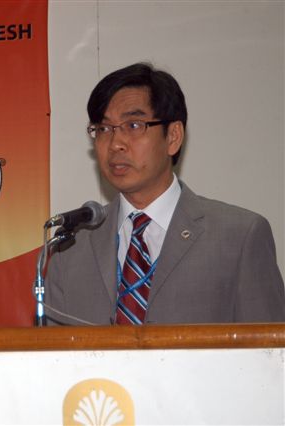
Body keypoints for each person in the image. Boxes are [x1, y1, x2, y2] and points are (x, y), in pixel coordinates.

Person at [44, 62, 285, 325]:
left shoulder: (238, 237)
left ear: (173, 137)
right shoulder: (70, 249)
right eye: (103, 129)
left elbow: (269, 347)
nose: (115, 144)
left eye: (133, 125)